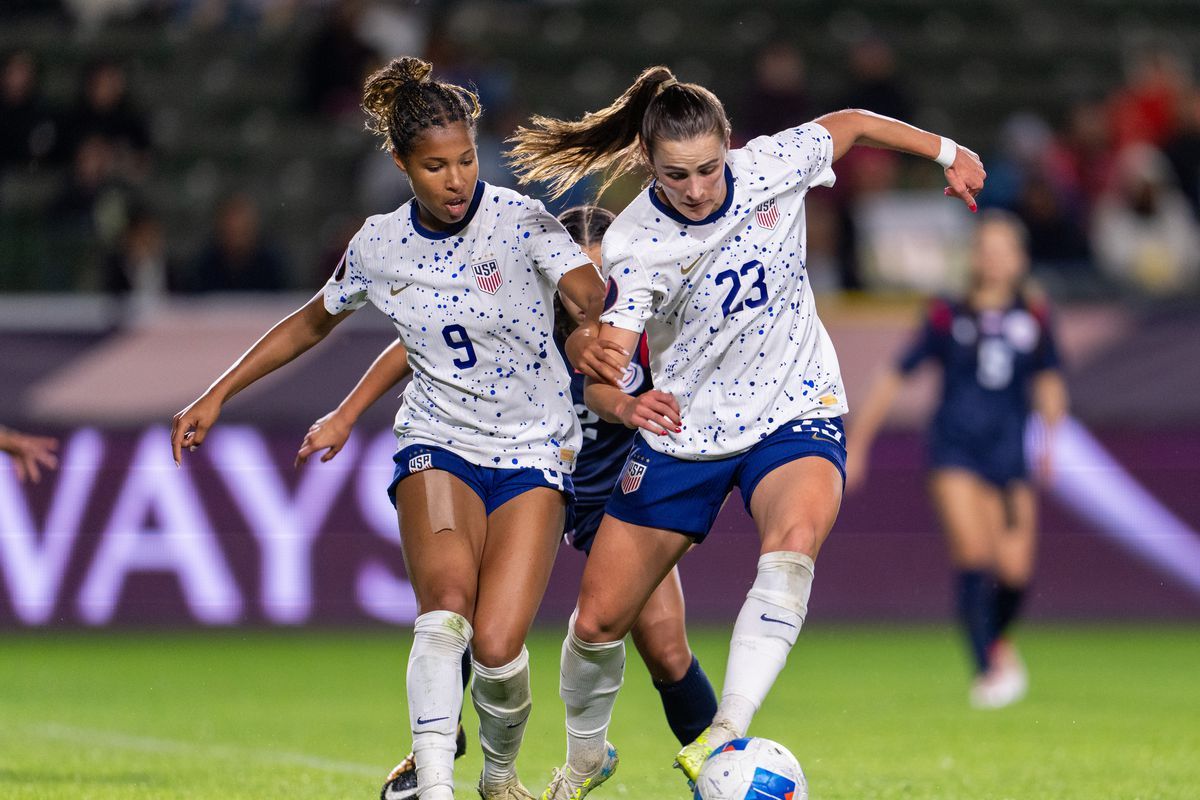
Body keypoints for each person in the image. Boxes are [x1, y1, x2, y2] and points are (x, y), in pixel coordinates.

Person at [505, 65, 986, 797]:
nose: (697, 188)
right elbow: (612, 363)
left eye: (707, 168)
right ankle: (584, 759)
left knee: (792, 546)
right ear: (646, 163)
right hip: (688, 431)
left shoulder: (772, 164)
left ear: (730, 145)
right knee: (598, 623)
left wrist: (948, 153)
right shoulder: (636, 241)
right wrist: (607, 375)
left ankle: (727, 732)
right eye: (675, 174)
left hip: (794, 405)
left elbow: (852, 121)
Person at [170, 56, 607, 800]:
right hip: (437, 443)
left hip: (534, 447)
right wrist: (218, 394)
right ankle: (434, 785)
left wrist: (586, 295)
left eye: (466, 159)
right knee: (444, 615)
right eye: (435, 165)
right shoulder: (379, 244)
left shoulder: (522, 219)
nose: (457, 178)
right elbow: (313, 321)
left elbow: (592, 293)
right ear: (403, 164)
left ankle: (498, 777)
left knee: (500, 650)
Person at [295, 205, 719, 799]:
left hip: (614, 491)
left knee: (668, 648)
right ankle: (436, 750)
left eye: (604, 282)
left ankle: (726, 769)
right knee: (464, 608)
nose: (591, 302)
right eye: (580, 284)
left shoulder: (643, 330)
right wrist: (346, 410)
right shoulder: (518, 314)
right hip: (530, 469)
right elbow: (414, 347)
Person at [846, 211, 1068, 709]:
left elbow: (1050, 379)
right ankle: (987, 672)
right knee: (975, 556)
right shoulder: (948, 313)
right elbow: (891, 376)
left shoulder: (1034, 314)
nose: (992, 258)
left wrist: (1051, 440)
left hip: (1009, 453)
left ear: (1019, 259)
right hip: (955, 449)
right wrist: (858, 445)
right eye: (984, 248)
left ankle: (997, 641)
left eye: (1002, 249)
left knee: (1014, 573)